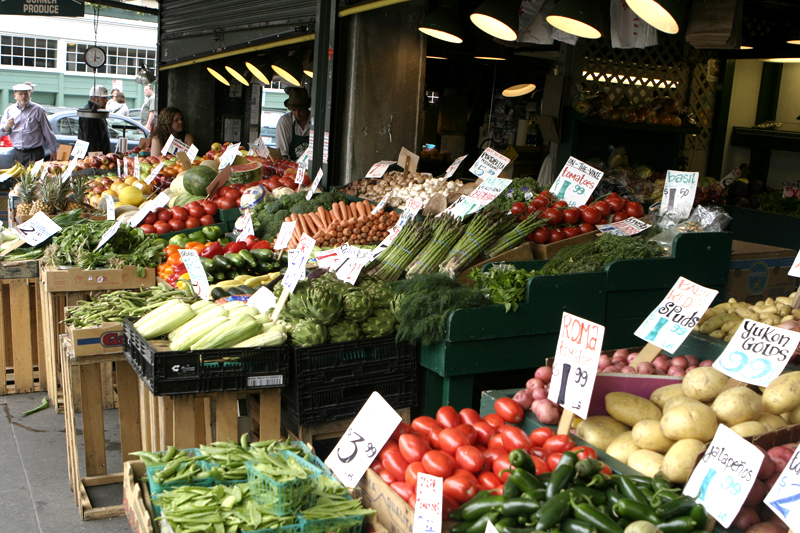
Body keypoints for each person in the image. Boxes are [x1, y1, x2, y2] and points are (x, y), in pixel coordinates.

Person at [0, 83, 58, 165]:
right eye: (20, 94)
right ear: (15, 96)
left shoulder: (38, 109)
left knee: (34, 177)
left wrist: (53, 149)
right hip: (17, 153)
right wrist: (7, 126)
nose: (23, 96)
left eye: (26, 94)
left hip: (34, 152)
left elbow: (47, 131)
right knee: (18, 177)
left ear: (29, 95)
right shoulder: (9, 110)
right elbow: (4, 132)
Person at [275, 87, 311, 161]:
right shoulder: (285, 122)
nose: (297, 114)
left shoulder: (316, 121)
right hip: (291, 168)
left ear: (307, 107)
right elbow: (283, 154)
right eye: (294, 110)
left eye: (300, 110)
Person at [78, 85, 111, 154]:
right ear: (94, 99)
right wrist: (95, 159)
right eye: (103, 98)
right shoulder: (90, 115)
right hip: (92, 159)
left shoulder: (96, 113)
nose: (106, 101)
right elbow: (92, 141)